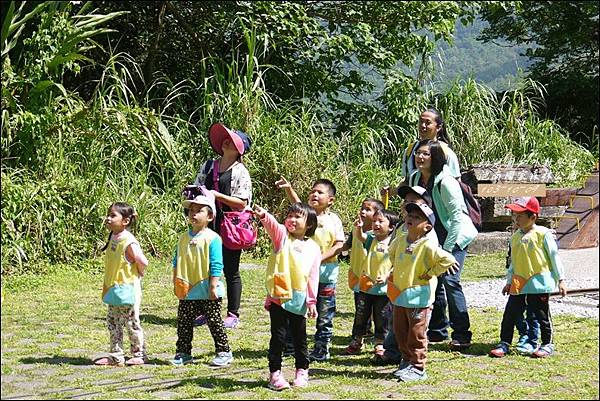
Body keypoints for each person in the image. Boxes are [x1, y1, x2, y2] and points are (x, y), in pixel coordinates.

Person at [406, 140, 478, 349]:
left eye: (426, 154)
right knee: (433, 280)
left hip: (455, 236)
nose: (420, 157)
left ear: (436, 158)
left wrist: (447, 251)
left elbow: (456, 217)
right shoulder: (415, 177)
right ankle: (437, 330)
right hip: (431, 236)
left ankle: (462, 333)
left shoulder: (445, 181)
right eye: (418, 154)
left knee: (450, 280)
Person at [276, 177, 345, 361]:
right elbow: (296, 203)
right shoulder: (304, 216)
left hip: (326, 276)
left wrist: (317, 259)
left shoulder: (334, 220)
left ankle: (322, 348)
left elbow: (339, 245)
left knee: (324, 314)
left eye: (320, 192)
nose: (314, 194)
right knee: (295, 309)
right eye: (312, 191)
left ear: (331, 200)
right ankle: (290, 346)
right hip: (300, 277)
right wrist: (289, 188)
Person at [387, 202, 458, 382]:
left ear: (427, 226)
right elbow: (391, 254)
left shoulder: (428, 245)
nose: (410, 218)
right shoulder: (400, 239)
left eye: (417, 217)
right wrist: (394, 270)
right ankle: (406, 361)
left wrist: (431, 273)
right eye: (409, 215)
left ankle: (418, 367)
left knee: (416, 333)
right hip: (400, 295)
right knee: (400, 331)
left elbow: (448, 260)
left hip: (419, 297)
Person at [253, 203, 320, 391]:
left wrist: (312, 300)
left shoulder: (313, 248)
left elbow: (313, 276)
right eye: (290, 215)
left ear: (309, 224)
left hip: (299, 300)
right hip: (279, 297)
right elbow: (274, 227)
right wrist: (265, 216)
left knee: (300, 338)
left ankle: (302, 370)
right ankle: (275, 374)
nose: (292, 219)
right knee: (278, 337)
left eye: (298, 217)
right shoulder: (282, 238)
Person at [489, 196, 567, 358]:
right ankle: (505, 342)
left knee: (540, 315)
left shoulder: (543, 234)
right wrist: (509, 281)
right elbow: (513, 263)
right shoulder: (515, 236)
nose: (515, 219)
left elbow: (554, 257)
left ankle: (547, 343)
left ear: (533, 217)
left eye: (520, 215)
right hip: (519, 283)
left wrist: (561, 280)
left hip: (539, 283)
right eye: (514, 215)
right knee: (510, 314)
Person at [193, 123, 252, 329]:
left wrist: (216, 195)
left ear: (239, 149)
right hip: (207, 224)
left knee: (231, 269)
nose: (227, 141)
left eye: (233, 140)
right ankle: (206, 310)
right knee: (206, 268)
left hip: (230, 227)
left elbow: (242, 203)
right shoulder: (209, 165)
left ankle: (233, 314)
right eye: (226, 138)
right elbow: (197, 188)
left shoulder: (240, 171)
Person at [374, 185, 437, 367]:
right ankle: (397, 354)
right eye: (407, 202)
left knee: (415, 328)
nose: (409, 206)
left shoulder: (428, 236)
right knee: (398, 323)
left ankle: (415, 364)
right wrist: (388, 272)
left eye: (415, 203)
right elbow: (392, 253)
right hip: (400, 287)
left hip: (418, 291)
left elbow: (438, 260)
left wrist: (429, 273)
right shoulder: (401, 229)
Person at [171, 193, 233, 367]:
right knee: (183, 322)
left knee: (214, 321)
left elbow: (216, 264)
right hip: (187, 289)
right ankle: (183, 353)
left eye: (199, 211)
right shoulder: (182, 238)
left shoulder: (213, 238)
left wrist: (213, 285)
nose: (194, 214)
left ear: (210, 216)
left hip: (207, 289)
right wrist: (175, 280)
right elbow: (176, 261)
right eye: (191, 210)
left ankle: (224, 352)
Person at [94, 202, 149, 366]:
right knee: (113, 323)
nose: (108, 219)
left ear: (125, 221)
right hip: (113, 289)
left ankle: (139, 354)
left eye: (112, 215)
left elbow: (142, 261)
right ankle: (115, 355)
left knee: (131, 323)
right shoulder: (113, 236)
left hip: (128, 290)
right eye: (108, 215)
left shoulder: (128, 241)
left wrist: (140, 272)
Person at [344, 208, 399, 357]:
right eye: (374, 221)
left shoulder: (394, 244)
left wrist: (388, 275)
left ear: (391, 227)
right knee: (361, 316)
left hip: (383, 290)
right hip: (365, 287)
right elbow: (360, 237)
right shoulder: (371, 239)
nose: (376, 224)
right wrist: (359, 227)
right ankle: (357, 340)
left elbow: (396, 265)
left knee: (382, 318)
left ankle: (380, 343)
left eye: (381, 221)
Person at [401, 108, 461, 181]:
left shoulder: (446, 152)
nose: (423, 125)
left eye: (428, 122)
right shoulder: (409, 151)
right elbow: (407, 182)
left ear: (438, 127)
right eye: (421, 121)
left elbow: (456, 182)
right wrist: (390, 191)